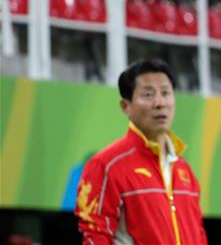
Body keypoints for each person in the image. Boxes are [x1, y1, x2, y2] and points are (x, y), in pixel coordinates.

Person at [75, 58, 207, 244]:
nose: (160, 103)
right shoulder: (106, 166)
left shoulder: (184, 170)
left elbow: (199, 236)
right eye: (148, 94)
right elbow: (95, 235)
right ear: (125, 106)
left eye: (166, 93)